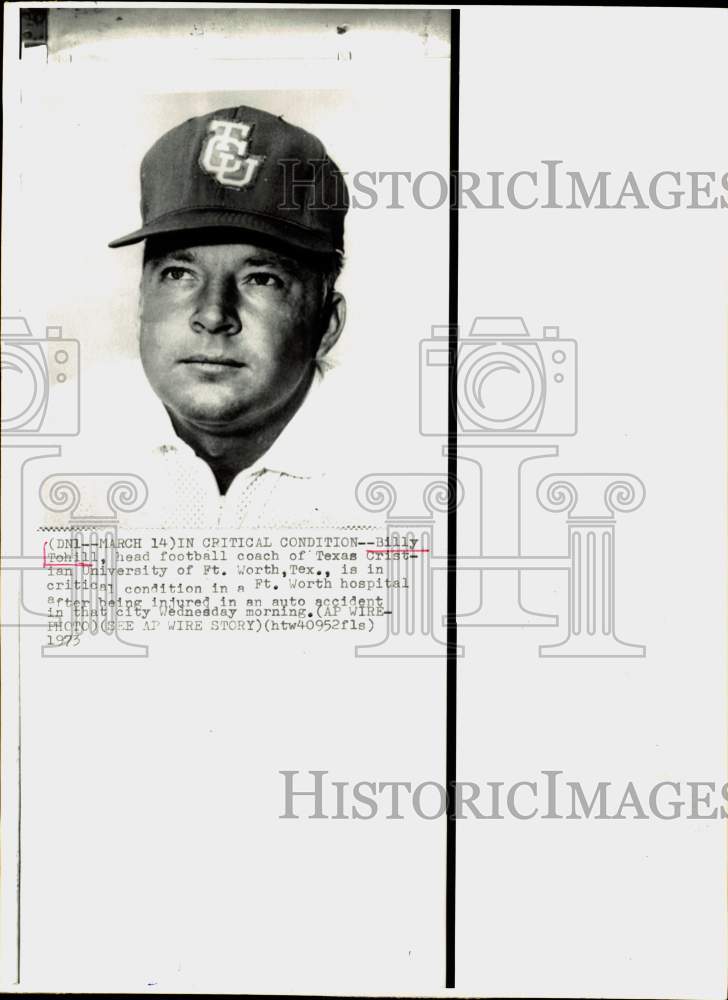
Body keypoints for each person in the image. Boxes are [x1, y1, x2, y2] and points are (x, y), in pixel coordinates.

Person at [44, 104, 363, 529]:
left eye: (262, 279)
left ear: (326, 324)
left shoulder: (407, 463)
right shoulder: (52, 441)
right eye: (179, 274)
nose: (213, 315)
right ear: (142, 301)